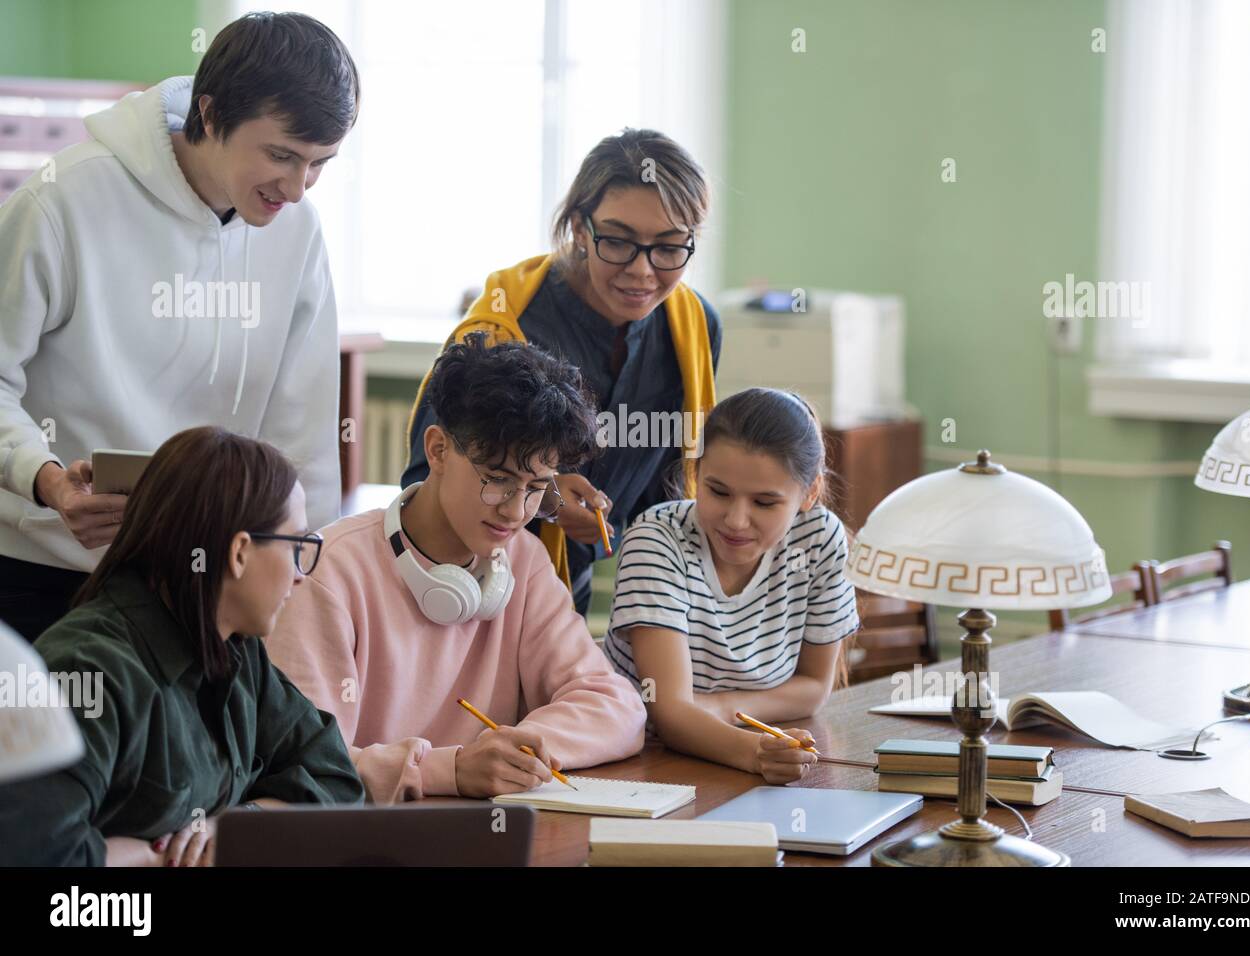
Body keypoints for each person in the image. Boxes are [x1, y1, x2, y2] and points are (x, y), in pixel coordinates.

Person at [0, 12, 359, 641]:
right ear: (211, 113)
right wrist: (48, 480)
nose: (299, 188)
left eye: (319, 163)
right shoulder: (62, 203)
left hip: (203, 589)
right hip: (47, 572)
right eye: (281, 155)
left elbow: (299, 433)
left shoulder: (298, 233)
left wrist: (304, 573)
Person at [266, 335, 646, 804]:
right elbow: (302, 761)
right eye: (498, 480)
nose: (514, 510)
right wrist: (453, 769)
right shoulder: (328, 573)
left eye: (536, 488)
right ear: (439, 450)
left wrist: (517, 751)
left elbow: (618, 707)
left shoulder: (523, 561)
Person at [0, 426, 365, 866]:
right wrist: (156, 856)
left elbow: (337, 781)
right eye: (296, 546)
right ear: (240, 553)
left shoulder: (237, 648)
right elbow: (38, 856)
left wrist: (227, 826)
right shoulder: (87, 671)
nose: (300, 574)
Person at [402, 129, 720, 615]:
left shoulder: (693, 330)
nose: (643, 271)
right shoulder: (504, 329)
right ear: (578, 227)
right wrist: (546, 499)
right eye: (617, 241)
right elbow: (431, 482)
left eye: (670, 247)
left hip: (579, 599)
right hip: (473, 590)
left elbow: (669, 487)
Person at [604, 388, 860, 784]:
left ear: (809, 493)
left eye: (764, 503)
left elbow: (813, 688)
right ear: (696, 473)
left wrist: (721, 708)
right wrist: (757, 751)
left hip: (746, 753)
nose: (736, 521)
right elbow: (666, 712)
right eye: (718, 492)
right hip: (646, 763)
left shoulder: (821, 537)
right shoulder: (656, 539)